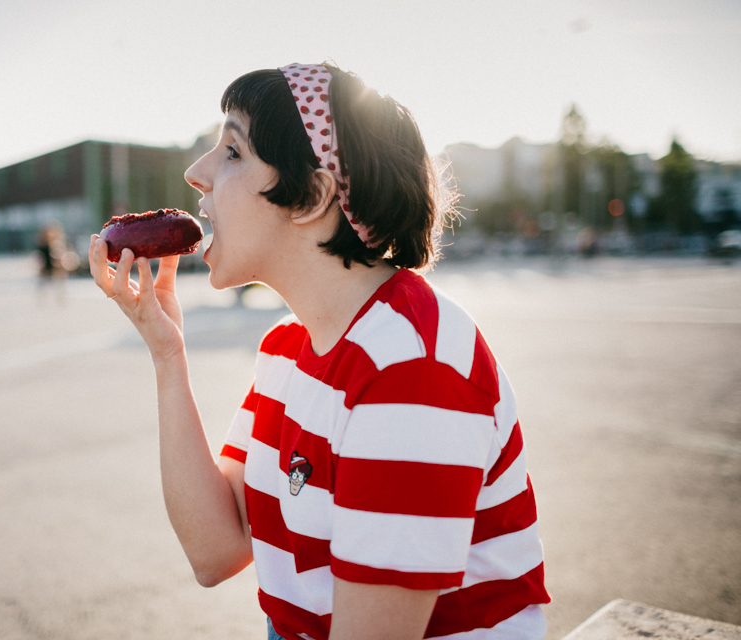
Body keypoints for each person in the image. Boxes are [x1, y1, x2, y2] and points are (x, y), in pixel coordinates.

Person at [89, 63, 550, 640]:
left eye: (232, 150)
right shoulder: (287, 347)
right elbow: (216, 551)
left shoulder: (411, 368)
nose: (196, 173)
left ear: (312, 195)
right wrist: (166, 355)